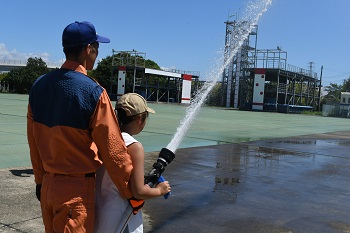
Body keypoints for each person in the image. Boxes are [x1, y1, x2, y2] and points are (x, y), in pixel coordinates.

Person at [27, 21, 134, 233]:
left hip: (48, 186)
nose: (97, 55)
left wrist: (40, 180)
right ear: (88, 49)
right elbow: (113, 150)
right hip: (75, 193)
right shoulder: (93, 92)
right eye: (96, 49)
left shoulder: (38, 86)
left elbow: (34, 142)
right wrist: (131, 191)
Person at [94, 93, 171, 233]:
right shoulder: (134, 146)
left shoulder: (104, 139)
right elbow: (139, 191)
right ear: (140, 119)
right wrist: (160, 190)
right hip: (121, 218)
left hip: (99, 214)